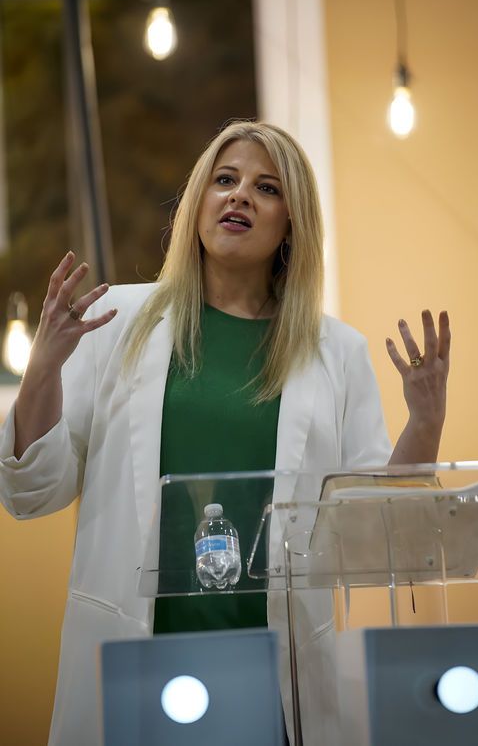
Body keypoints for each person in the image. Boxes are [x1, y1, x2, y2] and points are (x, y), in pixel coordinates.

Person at [0, 120, 450, 746]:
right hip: (133, 662)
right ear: (198, 204)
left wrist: (425, 421)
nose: (240, 195)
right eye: (225, 180)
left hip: (277, 677)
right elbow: (30, 491)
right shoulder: (114, 321)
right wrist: (43, 368)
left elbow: (378, 539)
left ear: (291, 223)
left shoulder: (337, 352)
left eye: (267, 188)